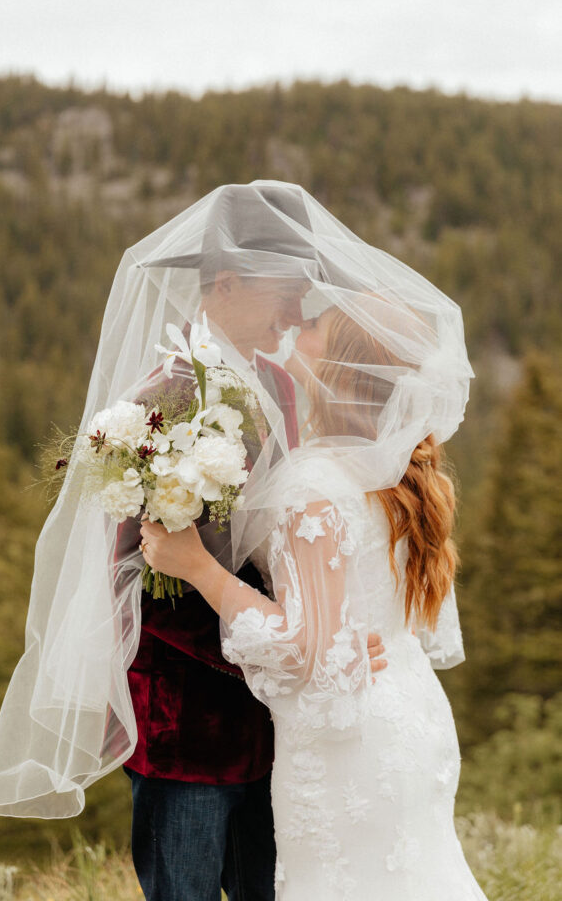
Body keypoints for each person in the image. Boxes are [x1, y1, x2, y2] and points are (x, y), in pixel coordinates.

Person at [141, 301, 485, 899]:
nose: (299, 325)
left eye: (318, 325)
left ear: (343, 365)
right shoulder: (396, 465)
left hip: (348, 736)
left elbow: (309, 653)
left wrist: (195, 565)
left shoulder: (314, 483)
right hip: (407, 713)